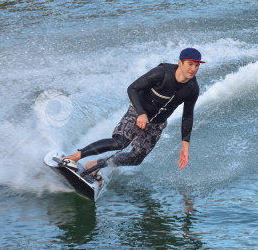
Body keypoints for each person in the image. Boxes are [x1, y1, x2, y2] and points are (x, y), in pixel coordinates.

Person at [61, 47, 204, 182]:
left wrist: (185, 147)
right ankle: (74, 157)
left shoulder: (192, 89)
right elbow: (132, 88)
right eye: (190, 64)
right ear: (180, 63)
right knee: (120, 142)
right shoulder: (161, 73)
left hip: (157, 123)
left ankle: (95, 165)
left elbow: (187, 116)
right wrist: (141, 113)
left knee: (136, 158)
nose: (193, 69)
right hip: (138, 110)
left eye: (197, 66)